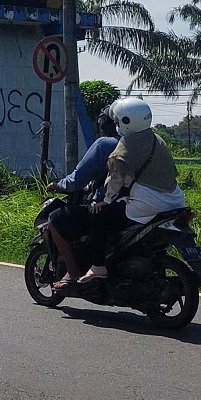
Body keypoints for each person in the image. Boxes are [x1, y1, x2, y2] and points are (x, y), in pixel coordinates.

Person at [74, 96, 186, 285]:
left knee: (98, 215)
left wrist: (105, 201)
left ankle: (98, 267)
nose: (116, 124)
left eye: (118, 121)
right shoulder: (157, 139)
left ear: (126, 122)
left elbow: (116, 180)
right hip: (175, 200)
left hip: (148, 205)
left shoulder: (125, 146)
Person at [45, 113, 120, 293]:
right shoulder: (137, 143)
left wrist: (57, 185)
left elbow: (77, 179)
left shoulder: (104, 144)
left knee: (55, 219)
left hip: (108, 206)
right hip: (139, 206)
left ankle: (73, 272)